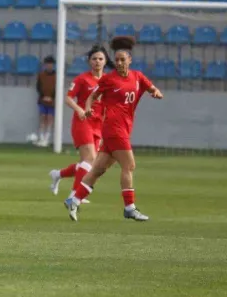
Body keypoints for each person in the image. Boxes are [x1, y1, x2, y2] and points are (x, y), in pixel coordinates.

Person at [65, 36, 163, 222]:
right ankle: (129, 208)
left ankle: (74, 199)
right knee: (129, 165)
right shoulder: (109, 80)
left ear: (129, 60)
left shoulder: (137, 77)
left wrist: (155, 92)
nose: (118, 63)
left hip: (124, 129)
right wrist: (86, 109)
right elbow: (92, 97)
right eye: (116, 60)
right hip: (113, 129)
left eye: (122, 59)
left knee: (97, 170)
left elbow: (151, 88)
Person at [49, 46, 113, 200]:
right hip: (83, 122)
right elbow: (68, 97)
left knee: (90, 164)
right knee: (90, 160)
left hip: (99, 125)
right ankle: (75, 195)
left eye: (100, 59)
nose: (97, 61)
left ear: (105, 62)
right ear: (89, 61)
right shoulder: (82, 79)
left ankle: (57, 174)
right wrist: (79, 109)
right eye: (94, 59)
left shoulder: (108, 81)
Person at [34, 55, 56, 147]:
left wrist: (52, 97)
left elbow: (57, 88)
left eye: (51, 64)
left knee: (50, 118)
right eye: (47, 64)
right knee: (43, 117)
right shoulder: (41, 75)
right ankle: (41, 137)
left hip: (53, 100)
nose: (49, 66)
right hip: (42, 99)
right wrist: (43, 96)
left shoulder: (56, 75)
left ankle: (47, 138)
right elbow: (38, 87)